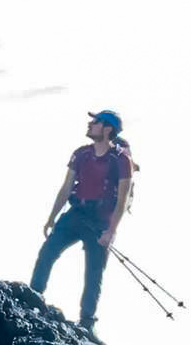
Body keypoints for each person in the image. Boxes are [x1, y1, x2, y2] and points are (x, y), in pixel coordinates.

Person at [30, 110, 133, 332]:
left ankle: (87, 322)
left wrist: (111, 231)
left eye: (95, 122)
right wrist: (52, 217)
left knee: (94, 272)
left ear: (108, 129)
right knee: (47, 252)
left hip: (100, 220)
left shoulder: (121, 160)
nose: (90, 124)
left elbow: (122, 200)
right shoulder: (81, 154)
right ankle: (32, 298)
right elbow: (66, 187)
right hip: (76, 213)